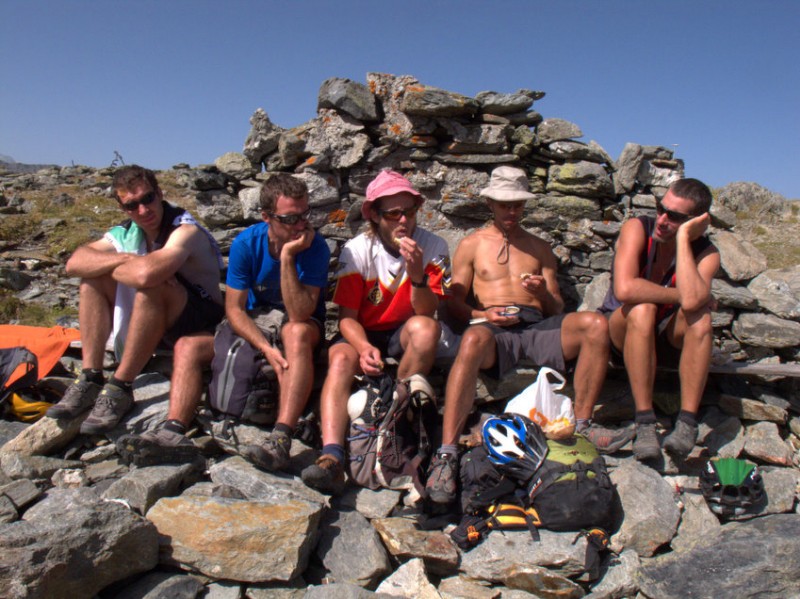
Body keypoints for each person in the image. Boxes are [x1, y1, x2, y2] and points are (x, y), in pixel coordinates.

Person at [426, 165, 633, 506]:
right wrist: (482, 315)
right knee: (473, 339)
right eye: (505, 204)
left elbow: (556, 308)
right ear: (490, 203)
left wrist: (541, 292)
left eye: (518, 204)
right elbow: (453, 305)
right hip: (493, 327)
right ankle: (447, 453)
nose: (512, 211)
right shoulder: (472, 245)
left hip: (536, 325)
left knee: (596, 325)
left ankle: (581, 425)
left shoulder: (539, 247)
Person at [300, 169, 451, 494]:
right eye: (393, 213)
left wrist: (417, 275)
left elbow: (428, 312)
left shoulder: (435, 246)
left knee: (427, 329)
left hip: (405, 332)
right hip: (365, 331)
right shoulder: (356, 249)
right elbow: (346, 318)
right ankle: (331, 454)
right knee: (340, 357)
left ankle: (390, 421)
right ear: (374, 216)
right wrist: (364, 347)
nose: (404, 221)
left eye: (410, 211)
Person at [47, 165, 225, 437]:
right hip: (157, 318)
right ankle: (91, 376)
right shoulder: (129, 233)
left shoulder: (185, 230)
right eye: (132, 205)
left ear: (160, 193)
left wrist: (123, 266)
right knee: (92, 280)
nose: (143, 210)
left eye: (148, 199)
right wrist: (124, 259)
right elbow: (75, 263)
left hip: (198, 318)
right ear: (122, 207)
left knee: (150, 285)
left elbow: (147, 275)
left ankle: (121, 384)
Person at [598, 177, 719, 461]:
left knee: (700, 319)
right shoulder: (638, 228)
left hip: (665, 337)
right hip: (623, 329)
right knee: (643, 308)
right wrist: (685, 294)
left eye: (675, 217)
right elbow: (626, 289)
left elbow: (693, 305)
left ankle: (687, 422)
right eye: (660, 209)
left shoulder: (707, 253)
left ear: (696, 222)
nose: (662, 220)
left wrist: (683, 241)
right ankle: (645, 422)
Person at [219, 173, 330, 472]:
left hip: (302, 325)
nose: (300, 225)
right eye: (290, 218)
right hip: (260, 325)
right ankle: (176, 430)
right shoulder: (247, 244)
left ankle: (281, 437)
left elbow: (299, 314)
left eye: (304, 214)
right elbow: (235, 309)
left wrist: (288, 257)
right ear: (267, 217)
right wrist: (265, 347)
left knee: (294, 332)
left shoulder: (314, 247)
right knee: (188, 347)